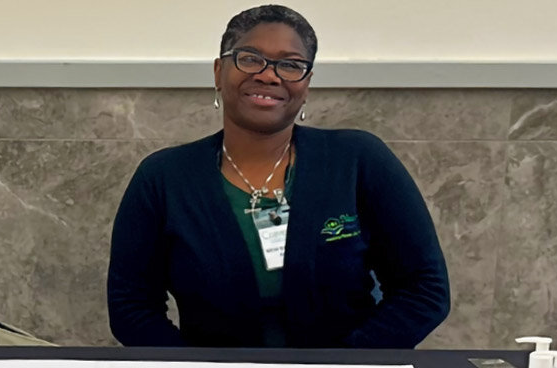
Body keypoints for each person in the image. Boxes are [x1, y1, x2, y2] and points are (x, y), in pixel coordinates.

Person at [107, 5, 449, 348]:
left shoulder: (358, 160)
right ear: (218, 72)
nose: (269, 76)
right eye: (250, 58)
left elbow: (425, 289)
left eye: (290, 65)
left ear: (307, 84)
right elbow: (131, 307)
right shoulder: (163, 178)